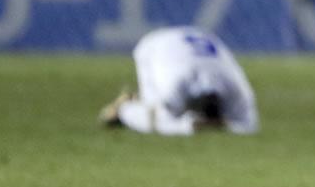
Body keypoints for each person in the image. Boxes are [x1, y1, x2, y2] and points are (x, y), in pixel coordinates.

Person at [98, 26, 259, 136]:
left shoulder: (238, 93)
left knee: (167, 114)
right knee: (156, 116)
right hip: (152, 47)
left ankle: (135, 102)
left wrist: (199, 126)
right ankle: (124, 109)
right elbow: (160, 122)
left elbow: (250, 127)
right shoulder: (175, 87)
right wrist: (190, 126)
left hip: (194, 43)